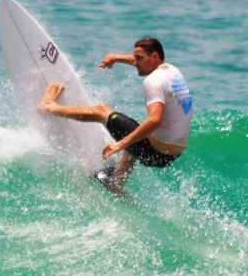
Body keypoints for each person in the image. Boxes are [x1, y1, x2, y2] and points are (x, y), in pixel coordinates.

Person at [38, 37, 193, 191]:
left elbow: (155, 120)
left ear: (154, 57)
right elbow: (140, 62)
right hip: (171, 154)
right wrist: (116, 58)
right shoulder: (172, 72)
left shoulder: (153, 81)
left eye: (139, 58)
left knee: (102, 110)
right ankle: (116, 183)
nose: (135, 62)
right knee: (135, 131)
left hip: (153, 151)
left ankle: (49, 106)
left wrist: (120, 144)